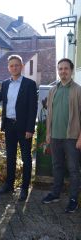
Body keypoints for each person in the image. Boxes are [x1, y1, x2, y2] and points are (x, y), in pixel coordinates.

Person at [0, 54, 38, 201]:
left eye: (17, 65)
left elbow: (33, 108)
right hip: (9, 125)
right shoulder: (5, 84)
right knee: (10, 157)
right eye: (11, 65)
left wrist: (30, 129)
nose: (14, 67)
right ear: (8, 68)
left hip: (24, 128)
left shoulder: (30, 84)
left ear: (22, 66)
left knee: (26, 158)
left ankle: (24, 189)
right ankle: (9, 185)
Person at [42, 58, 81, 213]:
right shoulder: (53, 90)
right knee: (56, 167)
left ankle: (73, 199)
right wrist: (48, 134)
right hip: (55, 137)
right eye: (60, 69)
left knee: (73, 169)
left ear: (71, 70)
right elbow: (50, 114)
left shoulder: (78, 90)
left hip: (72, 138)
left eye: (65, 68)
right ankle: (55, 194)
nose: (63, 71)